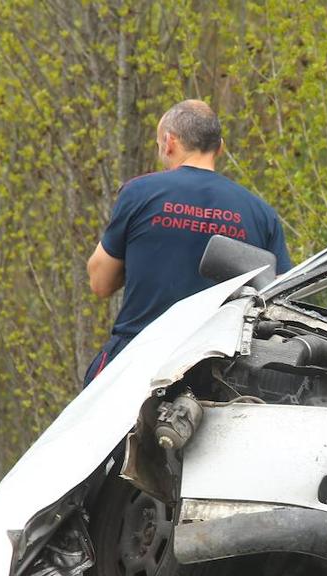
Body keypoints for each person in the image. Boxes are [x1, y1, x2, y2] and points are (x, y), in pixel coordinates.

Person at [83, 99, 292, 386]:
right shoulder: (260, 212)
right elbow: (278, 296)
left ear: (169, 142)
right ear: (220, 147)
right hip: (221, 373)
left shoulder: (139, 193)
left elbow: (101, 282)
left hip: (138, 362)